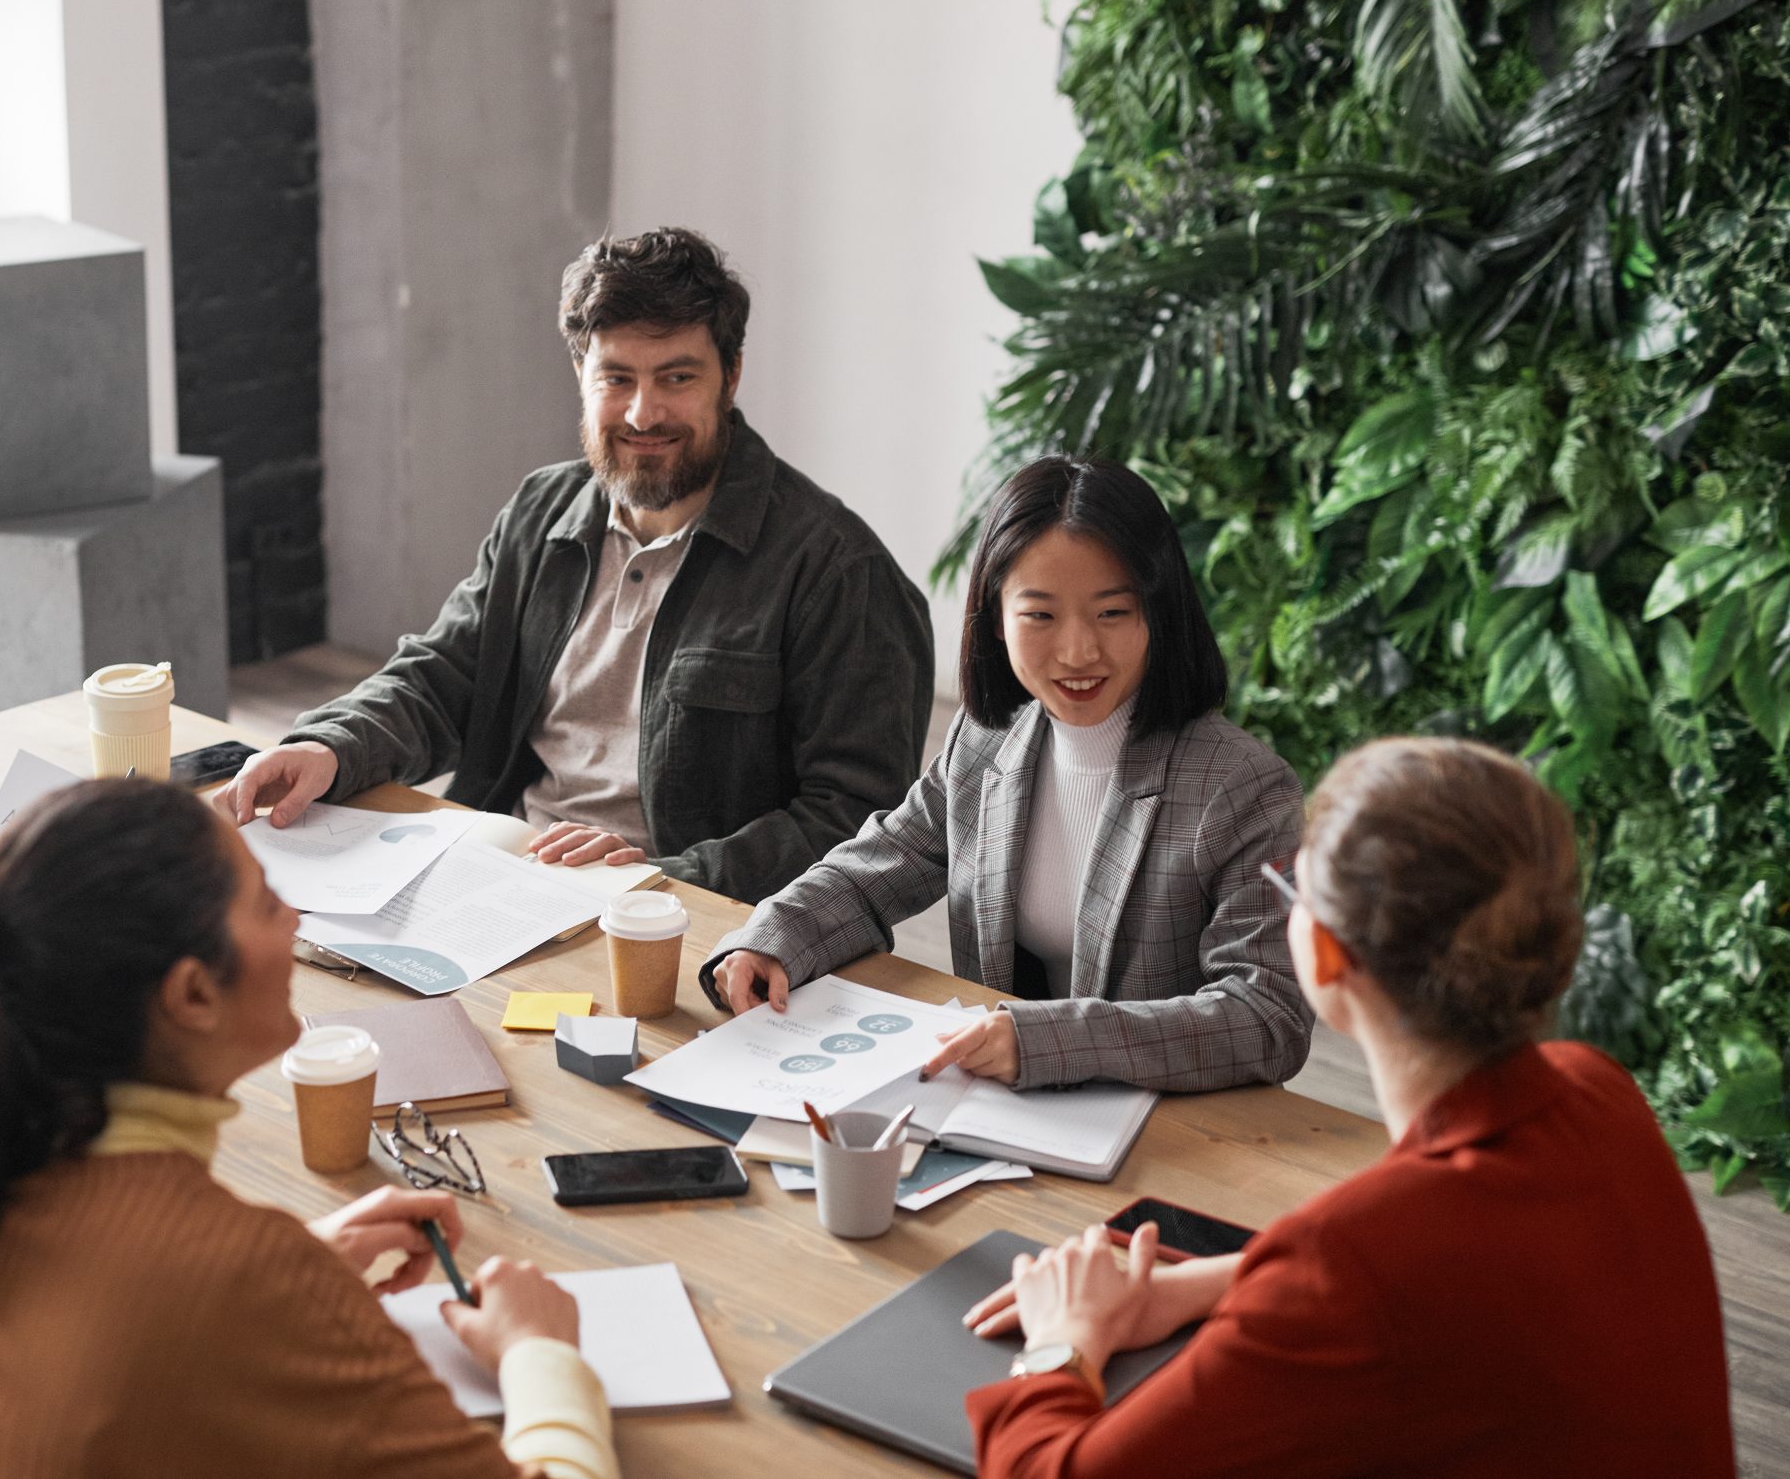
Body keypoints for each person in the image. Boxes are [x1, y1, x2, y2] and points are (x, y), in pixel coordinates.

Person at [0, 775, 618, 1477]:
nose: (295, 917)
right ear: (191, 994)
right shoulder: (244, 1279)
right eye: (265, 900)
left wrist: (289, 1273)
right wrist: (540, 1352)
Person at [958, 736, 1734, 1475]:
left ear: (1326, 953)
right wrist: (1220, 1282)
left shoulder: (1359, 1255)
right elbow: (1444, 1283)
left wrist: (1065, 1337)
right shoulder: (1596, 1089)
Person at [215, 226, 935, 905]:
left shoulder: (840, 571)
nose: (643, 413)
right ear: (580, 374)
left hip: (682, 922)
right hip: (508, 877)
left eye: (677, 377)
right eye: (616, 377)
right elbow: (446, 676)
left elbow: (862, 824)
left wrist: (660, 879)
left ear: (731, 375)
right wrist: (330, 743)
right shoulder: (542, 509)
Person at [704, 456, 1310, 1093]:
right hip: (1001, 1114)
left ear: (1158, 613)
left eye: (1112, 613)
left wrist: (1048, 1041)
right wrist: (773, 938)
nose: (1078, 652)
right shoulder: (984, 741)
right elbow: (876, 867)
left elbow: (1267, 1014)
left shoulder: (1242, 788)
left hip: (1168, 1129)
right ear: (996, 618)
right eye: (1040, 616)